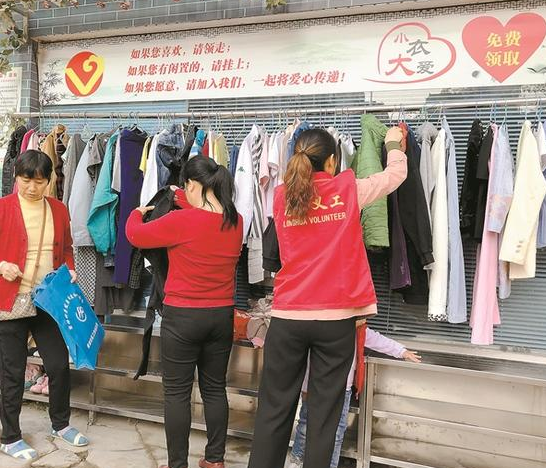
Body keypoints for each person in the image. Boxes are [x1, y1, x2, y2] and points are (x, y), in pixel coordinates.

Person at [247, 127, 408, 468]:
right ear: (332, 162)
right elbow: (396, 175)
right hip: (335, 323)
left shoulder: (282, 196)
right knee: (324, 418)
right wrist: (393, 143)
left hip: (288, 318)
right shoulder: (348, 190)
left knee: (273, 410)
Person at [0, 150, 88, 460]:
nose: (32, 188)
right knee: (13, 371)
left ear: (49, 181)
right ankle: (10, 438)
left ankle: (60, 424)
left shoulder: (58, 209)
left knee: (58, 365)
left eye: (39, 181)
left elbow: (67, 248)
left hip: (47, 301)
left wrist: (69, 269)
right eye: (25, 180)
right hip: (10, 301)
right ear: (16, 178)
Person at [126, 156, 243, 468]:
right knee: (215, 389)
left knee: (177, 394)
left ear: (193, 185)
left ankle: (177, 465)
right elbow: (203, 213)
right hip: (221, 316)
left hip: (183, 318)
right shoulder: (236, 221)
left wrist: (136, 213)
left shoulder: (181, 222)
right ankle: (215, 460)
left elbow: (135, 235)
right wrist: (180, 196)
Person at [288, 321, 421, 468]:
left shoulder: (357, 329)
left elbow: (376, 339)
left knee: (337, 432)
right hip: (314, 386)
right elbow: (308, 356)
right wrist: (305, 387)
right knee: (306, 425)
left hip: (342, 388)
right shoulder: (320, 324)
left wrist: (401, 351)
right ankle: (296, 463)